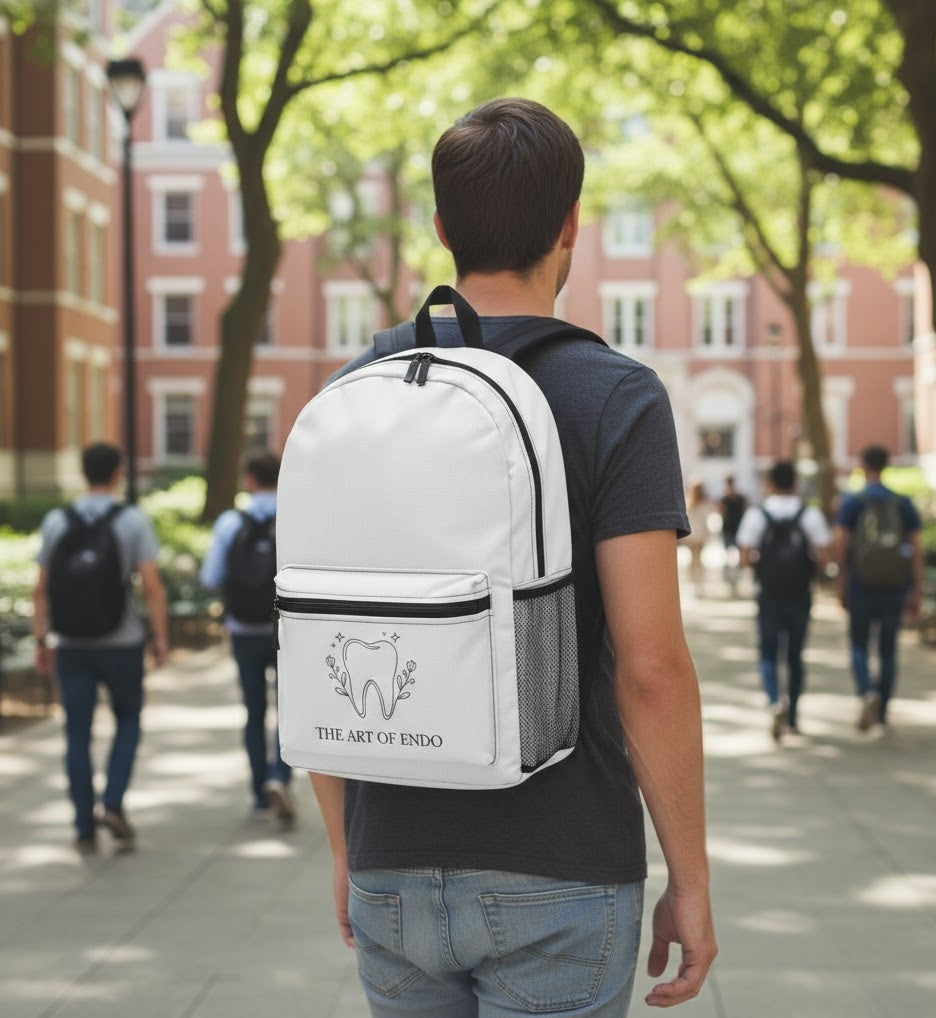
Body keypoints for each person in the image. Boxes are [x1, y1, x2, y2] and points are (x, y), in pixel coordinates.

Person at [308, 99, 716, 1015]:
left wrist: (346, 849)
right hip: (562, 865)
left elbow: (324, 636)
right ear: (572, 224)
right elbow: (651, 667)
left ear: (442, 228)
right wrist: (688, 876)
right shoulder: (617, 397)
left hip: (391, 860)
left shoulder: (353, 396)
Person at [31, 442, 169, 854]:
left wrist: (41, 639)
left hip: (70, 643)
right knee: (128, 720)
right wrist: (160, 637)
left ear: (82, 472)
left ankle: (82, 825)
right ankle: (112, 803)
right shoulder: (131, 520)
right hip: (121, 642)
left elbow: (39, 589)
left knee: (76, 733)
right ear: (118, 473)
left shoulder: (57, 520)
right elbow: (152, 586)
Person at [201, 451, 294, 825]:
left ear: (249, 479)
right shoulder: (295, 517)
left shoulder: (230, 523)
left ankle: (259, 796)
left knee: (254, 711)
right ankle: (280, 777)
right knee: (288, 710)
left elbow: (210, 576)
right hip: (286, 630)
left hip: (243, 630)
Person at [736, 461, 830, 740]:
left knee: (768, 653)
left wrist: (763, 569)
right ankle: (794, 717)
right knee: (795, 656)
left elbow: (744, 557)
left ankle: (774, 700)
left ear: (769, 484)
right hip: (800, 595)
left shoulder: (757, 515)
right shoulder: (809, 515)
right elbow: (824, 556)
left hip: (769, 594)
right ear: (796, 484)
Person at [834, 445, 923, 732]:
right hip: (895, 587)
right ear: (887, 465)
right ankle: (882, 714)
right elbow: (917, 550)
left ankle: (866, 691)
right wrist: (916, 589)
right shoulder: (903, 503)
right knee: (888, 649)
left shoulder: (853, 502)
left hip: (861, 584)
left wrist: (841, 584)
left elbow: (841, 544)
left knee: (859, 644)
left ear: (862, 465)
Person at [718, 475, 747, 593]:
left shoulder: (726, 498)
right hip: (733, 529)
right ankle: (733, 581)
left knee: (731, 557)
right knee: (731, 557)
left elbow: (720, 513)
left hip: (732, 529)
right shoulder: (737, 498)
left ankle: (733, 580)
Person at [683, 480, 711, 595]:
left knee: (696, 560)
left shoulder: (701, 504)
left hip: (697, 537)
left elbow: (706, 521)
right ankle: (695, 583)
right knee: (695, 560)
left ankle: (698, 583)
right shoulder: (689, 502)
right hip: (693, 537)